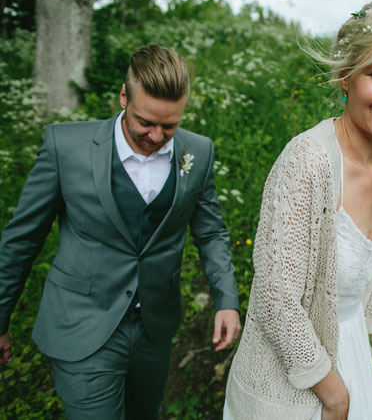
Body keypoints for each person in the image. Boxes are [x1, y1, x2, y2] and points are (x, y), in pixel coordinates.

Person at [223, 0, 372, 420]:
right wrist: (334, 395)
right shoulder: (308, 161)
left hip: (353, 350)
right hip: (294, 379)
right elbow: (273, 296)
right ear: (345, 78)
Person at [0, 44, 242, 419]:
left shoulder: (199, 152)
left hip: (154, 330)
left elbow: (210, 233)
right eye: (146, 122)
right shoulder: (66, 147)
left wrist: (226, 300)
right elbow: (22, 239)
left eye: (170, 125)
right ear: (123, 97)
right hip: (82, 325)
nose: (157, 136)